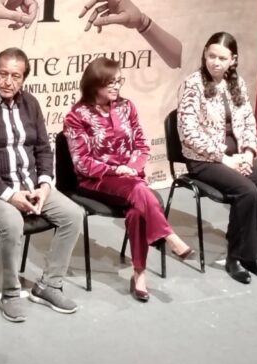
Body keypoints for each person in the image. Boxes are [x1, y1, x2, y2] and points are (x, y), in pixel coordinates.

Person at [0, 47, 83, 323]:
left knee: (73, 215)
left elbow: (43, 148)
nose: (8, 81)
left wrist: (44, 185)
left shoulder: (30, 104)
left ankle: (49, 286)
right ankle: (11, 293)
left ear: (24, 78)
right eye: (3, 74)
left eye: (15, 76)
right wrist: (9, 195)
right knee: (13, 222)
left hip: (29, 185)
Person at [63, 57, 195, 302]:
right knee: (139, 192)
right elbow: (82, 162)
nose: (116, 87)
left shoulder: (127, 106)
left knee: (137, 211)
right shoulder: (76, 116)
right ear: (95, 84)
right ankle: (169, 236)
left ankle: (139, 274)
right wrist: (117, 170)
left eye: (118, 81)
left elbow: (142, 146)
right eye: (110, 82)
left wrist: (132, 167)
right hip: (96, 180)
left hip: (131, 179)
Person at [177, 32, 257, 284]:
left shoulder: (238, 84)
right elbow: (188, 133)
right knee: (247, 191)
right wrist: (225, 159)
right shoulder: (192, 84)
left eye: (222, 58)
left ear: (232, 60)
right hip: (204, 159)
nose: (215, 62)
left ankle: (254, 253)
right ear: (204, 54)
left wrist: (248, 153)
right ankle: (236, 257)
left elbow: (248, 122)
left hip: (237, 154)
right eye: (211, 56)